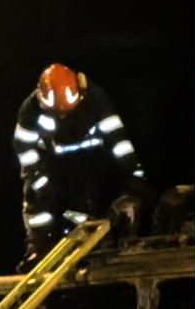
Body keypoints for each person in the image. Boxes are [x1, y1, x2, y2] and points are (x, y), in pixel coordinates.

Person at [12, 63, 150, 272]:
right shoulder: (29, 110)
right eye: (57, 114)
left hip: (86, 159)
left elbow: (117, 138)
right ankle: (37, 249)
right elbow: (24, 148)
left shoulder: (96, 100)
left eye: (66, 113)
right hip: (48, 160)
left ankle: (82, 244)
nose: (62, 118)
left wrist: (133, 173)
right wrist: (37, 180)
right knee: (37, 200)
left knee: (81, 199)